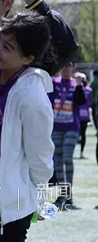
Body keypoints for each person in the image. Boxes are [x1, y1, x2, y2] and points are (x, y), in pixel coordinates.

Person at [0, 12, 55, 242]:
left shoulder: (31, 96)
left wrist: (38, 197)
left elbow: (40, 155)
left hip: (6, 191)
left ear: (28, 58)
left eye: (7, 48)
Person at [49, 62, 86, 209]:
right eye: (64, 64)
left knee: (67, 158)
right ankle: (62, 195)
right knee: (57, 161)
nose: (66, 67)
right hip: (56, 127)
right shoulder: (53, 82)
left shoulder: (76, 84)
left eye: (69, 65)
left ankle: (68, 195)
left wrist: (79, 85)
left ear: (73, 67)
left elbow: (81, 101)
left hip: (72, 127)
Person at [75, 73, 92, 160]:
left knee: (78, 133)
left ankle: (78, 151)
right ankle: (80, 152)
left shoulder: (76, 89)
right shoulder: (88, 90)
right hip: (83, 114)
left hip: (79, 114)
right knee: (82, 134)